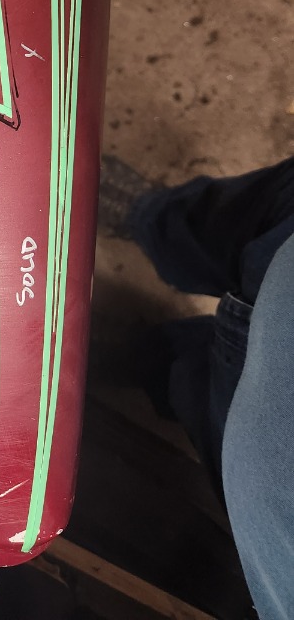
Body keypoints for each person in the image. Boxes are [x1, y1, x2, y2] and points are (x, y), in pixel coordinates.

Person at [128, 157, 294, 620]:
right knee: (217, 222)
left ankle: (142, 355)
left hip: (261, 465)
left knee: (186, 379)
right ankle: (146, 217)